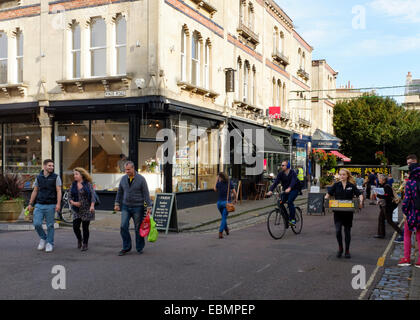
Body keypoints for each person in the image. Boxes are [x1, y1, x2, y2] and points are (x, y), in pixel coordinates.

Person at [114, 161, 153, 256]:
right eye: (125, 169)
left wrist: (149, 206)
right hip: (125, 206)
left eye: (128, 169)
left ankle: (139, 247)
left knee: (138, 228)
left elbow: (146, 193)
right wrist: (117, 203)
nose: (126, 171)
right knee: (123, 226)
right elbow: (120, 192)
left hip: (138, 207)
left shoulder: (141, 179)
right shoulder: (123, 179)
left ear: (133, 168)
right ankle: (126, 247)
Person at [325, 169, 363, 259]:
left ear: (347, 176)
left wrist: (361, 201)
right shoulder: (336, 185)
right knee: (338, 231)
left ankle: (347, 250)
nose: (342, 176)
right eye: (340, 175)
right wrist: (325, 200)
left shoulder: (351, 186)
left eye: (343, 175)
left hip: (348, 213)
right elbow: (328, 194)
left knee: (347, 232)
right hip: (337, 213)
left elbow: (359, 194)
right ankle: (340, 248)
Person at [27, 159, 62, 253]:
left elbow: (59, 191)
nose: (52, 167)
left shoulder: (56, 177)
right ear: (44, 166)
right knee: (37, 223)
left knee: (50, 225)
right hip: (39, 204)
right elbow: (35, 190)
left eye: (53, 166)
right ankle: (43, 238)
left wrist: (58, 204)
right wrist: (30, 203)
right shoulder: (38, 177)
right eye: (50, 165)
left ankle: (50, 243)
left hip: (51, 205)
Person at [398, 155, 420, 267]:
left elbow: (406, 200)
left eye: (410, 164)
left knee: (407, 234)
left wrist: (404, 212)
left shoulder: (410, 183)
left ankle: (406, 258)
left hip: (412, 213)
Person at [69, 168, 96, 252]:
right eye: (74, 174)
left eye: (76, 174)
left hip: (87, 209)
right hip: (77, 209)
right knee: (75, 227)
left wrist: (92, 206)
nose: (75, 176)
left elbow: (93, 196)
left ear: (81, 175)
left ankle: (85, 243)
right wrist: (73, 203)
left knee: (85, 227)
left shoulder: (87, 184)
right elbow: (69, 197)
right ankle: (79, 239)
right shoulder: (73, 185)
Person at [266, 161, 300, 226]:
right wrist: (270, 190)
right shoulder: (281, 174)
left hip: (294, 189)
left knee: (290, 201)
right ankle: (286, 218)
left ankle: (292, 219)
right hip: (286, 191)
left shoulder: (293, 173)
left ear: (287, 166)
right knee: (280, 203)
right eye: (281, 165)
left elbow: (293, 181)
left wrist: (290, 188)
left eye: (283, 165)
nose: (281, 166)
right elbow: (275, 182)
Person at [372, 174, 403, 241]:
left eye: (379, 178)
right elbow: (385, 196)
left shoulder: (386, 186)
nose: (378, 180)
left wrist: (378, 195)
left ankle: (402, 233)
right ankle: (381, 234)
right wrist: (379, 199)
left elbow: (387, 196)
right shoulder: (383, 185)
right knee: (381, 219)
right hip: (385, 206)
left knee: (389, 221)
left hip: (388, 206)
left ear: (383, 180)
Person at [214, 172, 238, 239]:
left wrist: (216, 180)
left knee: (223, 218)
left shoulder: (219, 183)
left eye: (219, 177)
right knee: (224, 218)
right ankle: (220, 232)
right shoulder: (229, 183)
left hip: (219, 204)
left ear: (220, 177)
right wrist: (235, 199)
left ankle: (226, 229)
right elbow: (234, 192)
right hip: (226, 204)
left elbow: (214, 189)